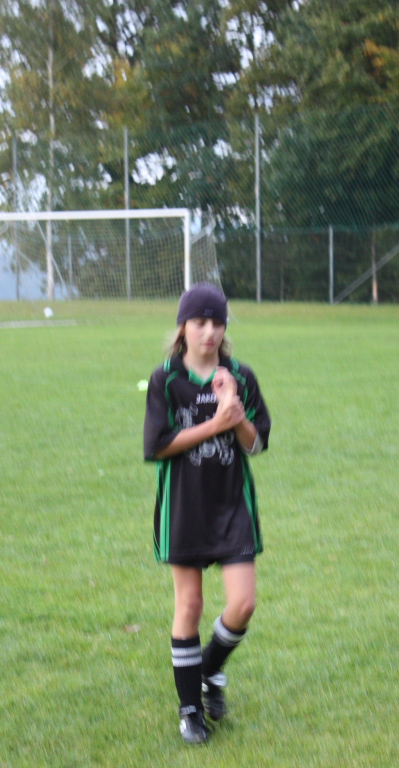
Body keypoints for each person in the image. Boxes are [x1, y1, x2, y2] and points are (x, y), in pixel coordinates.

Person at [143, 283, 271, 744]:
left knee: (243, 604)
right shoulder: (165, 380)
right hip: (184, 507)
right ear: (183, 327)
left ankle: (209, 669)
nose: (210, 332)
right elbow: (157, 446)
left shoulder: (240, 375)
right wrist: (213, 425)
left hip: (232, 503)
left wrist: (234, 414)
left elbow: (257, 444)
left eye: (217, 322)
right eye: (200, 322)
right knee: (190, 606)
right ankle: (191, 712)